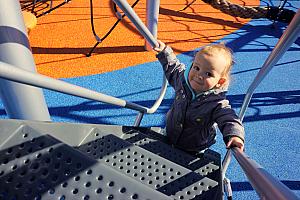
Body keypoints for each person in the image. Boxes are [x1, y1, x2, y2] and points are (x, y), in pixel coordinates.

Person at [153, 40, 244, 154]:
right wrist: (164, 52)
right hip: (169, 134)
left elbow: (229, 118)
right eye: (196, 68)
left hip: (195, 147)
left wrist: (235, 135)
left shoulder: (217, 103)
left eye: (208, 74)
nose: (199, 75)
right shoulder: (182, 81)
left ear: (220, 81)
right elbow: (173, 67)